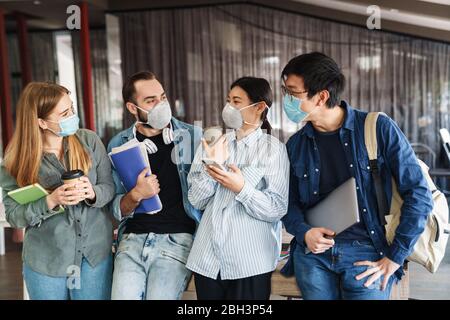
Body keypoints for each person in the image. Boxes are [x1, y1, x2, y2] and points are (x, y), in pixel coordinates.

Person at [280, 52, 433, 300]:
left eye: (292, 93)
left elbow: (418, 193)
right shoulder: (296, 144)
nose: (286, 100)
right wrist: (304, 232)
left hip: (368, 255)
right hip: (313, 259)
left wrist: (395, 257)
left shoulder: (377, 128)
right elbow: (289, 203)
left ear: (321, 96)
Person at [0, 82, 115, 300]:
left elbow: (109, 188)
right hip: (47, 261)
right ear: (41, 122)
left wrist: (92, 193)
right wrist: (50, 200)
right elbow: (14, 217)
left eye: (71, 108)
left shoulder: (88, 140)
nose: (73, 115)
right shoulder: (16, 161)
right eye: (64, 113)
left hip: (93, 257)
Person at [186, 76, 289, 300]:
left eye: (236, 101)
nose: (228, 107)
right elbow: (196, 200)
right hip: (208, 260)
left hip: (249, 264)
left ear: (259, 107)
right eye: (228, 100)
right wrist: (211, 165)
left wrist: (242, 188)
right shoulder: (213, 143)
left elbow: (277, 208)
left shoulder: (273, 150)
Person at [108, 71, 202, 300]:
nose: (161, 104)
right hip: (131, 240)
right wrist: (137, 194)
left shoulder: (192, 136)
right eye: (151, 101)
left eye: (163, 97)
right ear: (132, 108)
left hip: (177, 240)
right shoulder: (119, 144)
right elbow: (116, 208)